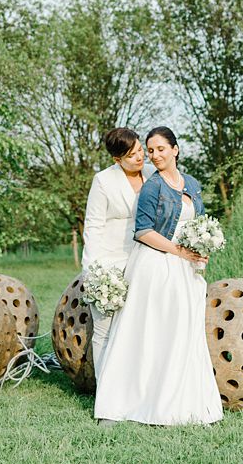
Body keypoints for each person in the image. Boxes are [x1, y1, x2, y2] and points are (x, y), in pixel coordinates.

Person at [93, 126, 223, 426]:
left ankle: (185, 402)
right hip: (157, 264)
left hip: (187, 268)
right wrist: (180, 251)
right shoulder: (152, 186)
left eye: (160, 149)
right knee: (152, 333)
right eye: (150, 150)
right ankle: (125, 404)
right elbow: (143, 231)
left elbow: (198, 222)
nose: (154, 155)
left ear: (175, 149)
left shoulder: (192, 183)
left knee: (185, 334)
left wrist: (202, 247)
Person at [81, 127, 153, 379]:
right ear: (117, 159)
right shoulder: (103, 181)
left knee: (139, 328)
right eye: (131, 155)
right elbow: (93, 226)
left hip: (145, 261)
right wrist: (93, 272)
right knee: (104, 331)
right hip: (109, 264)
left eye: (140, 150)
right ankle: (105, 390)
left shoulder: (153, 174)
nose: (139, 157)